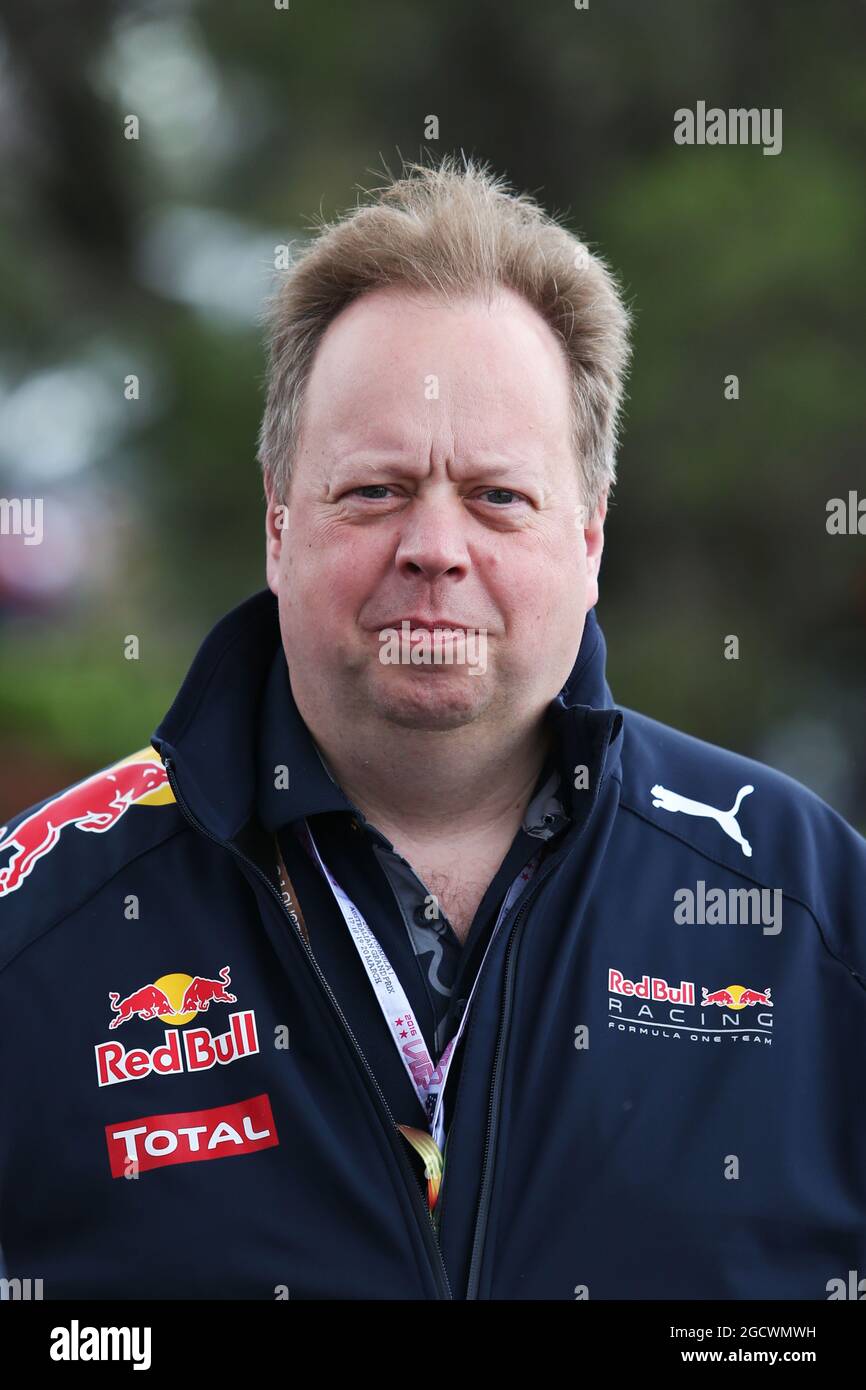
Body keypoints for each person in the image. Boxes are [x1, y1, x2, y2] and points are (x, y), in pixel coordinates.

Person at [1, 156, 864, 1301]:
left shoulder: (809, 912)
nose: (435, 547)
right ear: (276, 525)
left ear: (591, 537)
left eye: (498, 496)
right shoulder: (36, 926)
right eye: (374, 490)